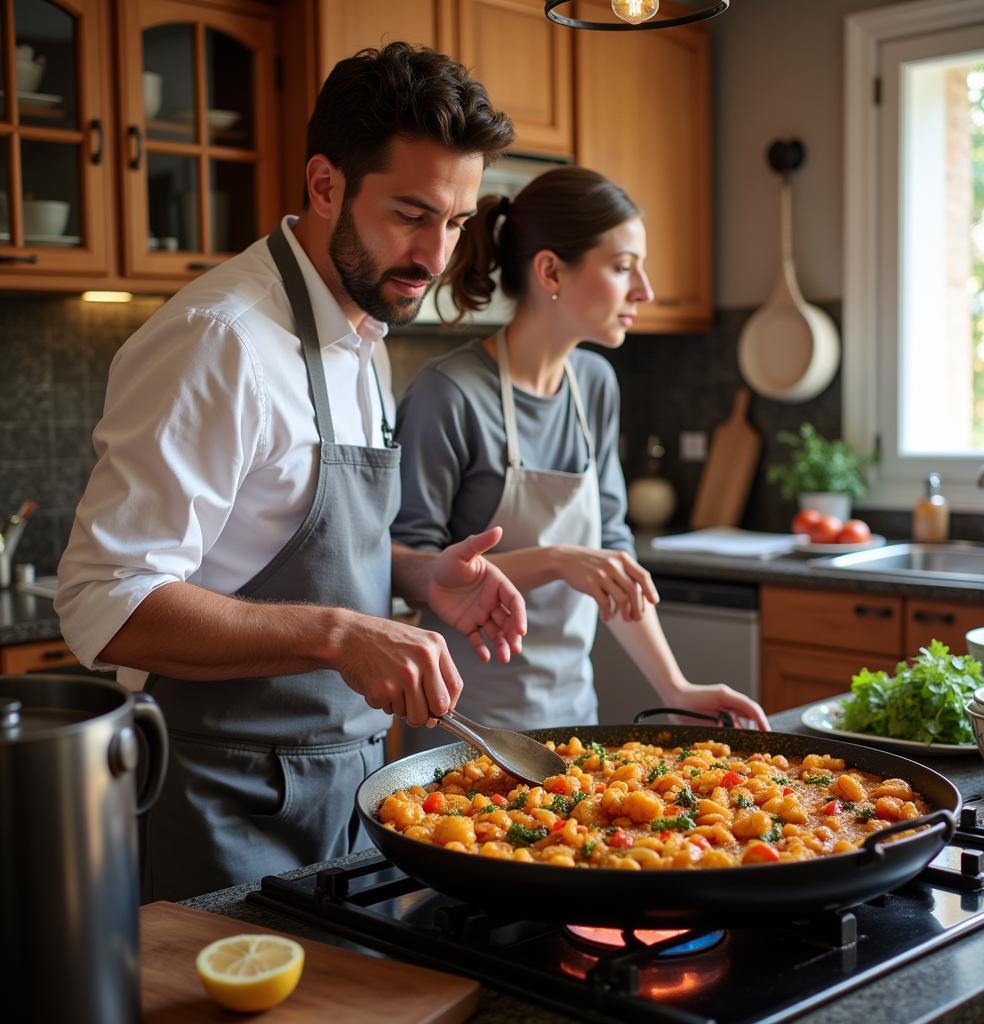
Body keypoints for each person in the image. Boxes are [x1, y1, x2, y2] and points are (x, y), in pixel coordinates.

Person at [55, 43, 524, 902]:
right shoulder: (219, 338)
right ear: (324, 185)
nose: (434, 254)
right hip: (216, 798)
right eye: (411, 214)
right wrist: (344, 634)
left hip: (349, 788)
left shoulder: (363, 333)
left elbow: (280, 539)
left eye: (456, 222)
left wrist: (416, 572)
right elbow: (103, 600)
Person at [392, 167, 769, 747]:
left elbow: (611, 559)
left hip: (571, 720)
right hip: (463, 728)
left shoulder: (594, 383)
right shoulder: (450, 393)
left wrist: (676, 688)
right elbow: (412, 573)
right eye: (622, 268)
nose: (643, 289)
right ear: (550, 272)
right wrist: (555, 560)